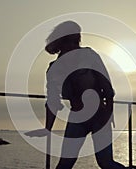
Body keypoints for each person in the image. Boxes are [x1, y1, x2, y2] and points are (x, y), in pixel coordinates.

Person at [26, 21, 127, 169]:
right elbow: (53, 100)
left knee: (105, 163)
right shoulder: (54, 69)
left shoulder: (89, 55)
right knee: (65, 164)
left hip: (99, 114)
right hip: (77, 117)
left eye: (77, 38)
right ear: (62, 41)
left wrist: (108, 113)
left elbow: (107, 88)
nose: (76, 42)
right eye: (73, 39)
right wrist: (47, 128)